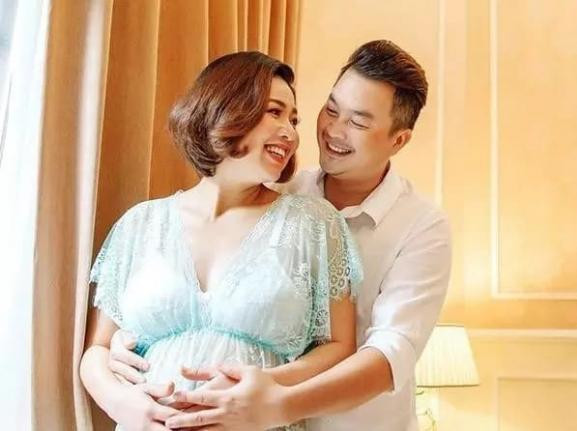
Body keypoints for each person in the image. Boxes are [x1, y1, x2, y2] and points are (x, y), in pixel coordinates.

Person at [110, 39, 452, 431]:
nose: (333, 131)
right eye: (331, 109)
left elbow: (389, 353)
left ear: (398, 140)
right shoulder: (273, 191)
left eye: (358, 122)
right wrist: (128, 345)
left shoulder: (422, 227)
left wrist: (273, 403)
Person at [80, 51, 363, 431]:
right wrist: (124, 405)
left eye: (293, 120)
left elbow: (340, 347)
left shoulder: (313, 224)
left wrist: (269, 384)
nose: (291, 133)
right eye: (275, 112)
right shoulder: (140, 224)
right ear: (226, 109)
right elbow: (97, 351)